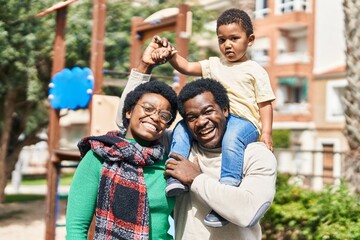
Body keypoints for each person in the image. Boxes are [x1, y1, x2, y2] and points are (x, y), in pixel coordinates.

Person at [116, 42, 277, 239]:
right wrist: (144, 67)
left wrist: (195, 179)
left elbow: (248, 212)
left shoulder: (256, 154)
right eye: (192, 117)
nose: (202, 122)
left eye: (208, 111)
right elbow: (128, 124)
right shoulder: (180, 147)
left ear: (225, 110)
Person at [152, 8, 276, 227]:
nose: (227, 44)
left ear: (250, 40)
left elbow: (265, 103)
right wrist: (171, 54)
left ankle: (228, 187)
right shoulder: (214, 65)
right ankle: (175, 173)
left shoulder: (254, 70)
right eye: (222, 40)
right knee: (181, 128)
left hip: (243, 123)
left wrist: (266, 133)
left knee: (231, 140)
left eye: (234, 38)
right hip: (221, 119)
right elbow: (187, 67)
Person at [66, 36, 178, 240]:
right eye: (148, 108)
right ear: (128, 112)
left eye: (164, 116)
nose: (154, 117)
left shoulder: (169, 162)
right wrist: (145, 65)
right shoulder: (99, 157)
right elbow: (76, 228)